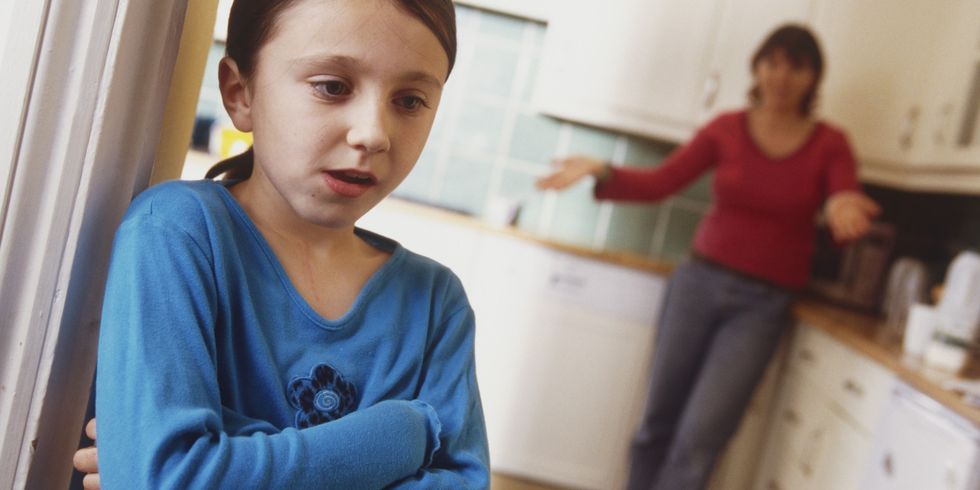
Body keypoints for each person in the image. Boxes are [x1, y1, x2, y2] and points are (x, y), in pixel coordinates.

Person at [71, 0, 489, 488]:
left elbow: (165, 473)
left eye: (410, 100)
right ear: (239, 93)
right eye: (332, 87)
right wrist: (397, 436)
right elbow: (169, 476)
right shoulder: (175, 232)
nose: (373, 133)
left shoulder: (437, 302)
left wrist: (216, 454)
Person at [536, 24, 879, 490]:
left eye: (796, 66)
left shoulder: (830, 144)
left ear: (813, 78)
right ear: (757, 68)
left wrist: (842, 206)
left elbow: (844, 197)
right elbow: (661, 181)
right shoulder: (727, 128)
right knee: (655, 424)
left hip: (762, 308)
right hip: (697, 285)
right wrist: (603, 168)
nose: (781, 76)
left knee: (700, 439)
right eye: (772, 62)